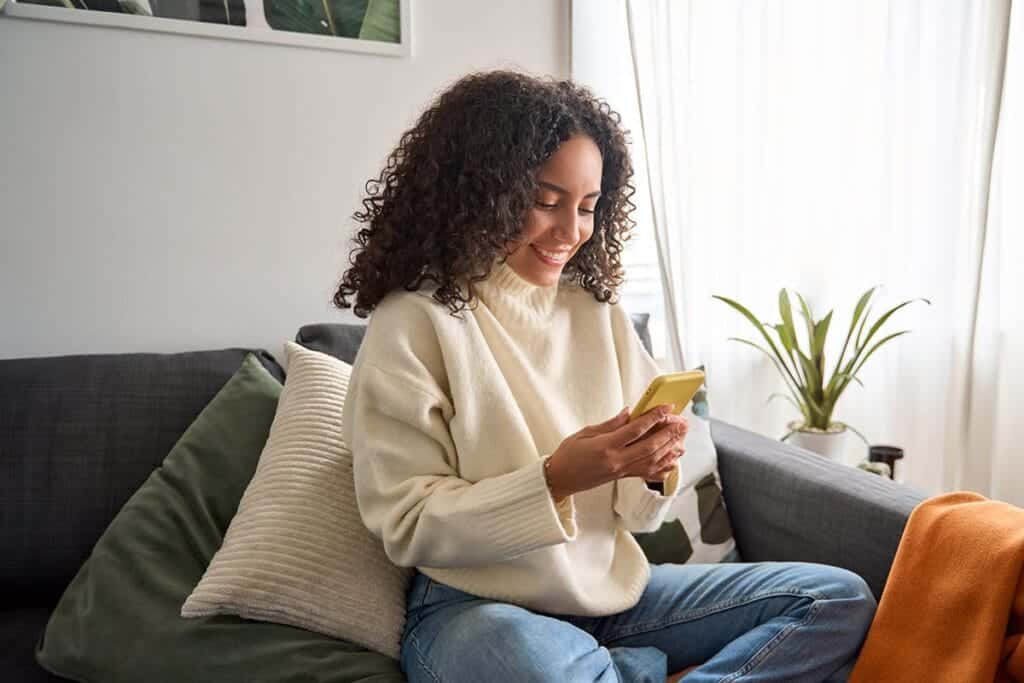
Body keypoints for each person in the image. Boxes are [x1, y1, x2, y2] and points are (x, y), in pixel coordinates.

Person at [335, 70, 876, 683]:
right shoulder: (415, 321)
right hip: (477, 612)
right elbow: (407, 525)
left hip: (612, 599)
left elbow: (638, 517)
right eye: (546, 202)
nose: (571, 232)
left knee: (835, 598)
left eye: (588, 207)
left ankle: (617, 668)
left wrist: (650, 466)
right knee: (522, 661)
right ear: (480, 191)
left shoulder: (598, 315)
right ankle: (629, 670)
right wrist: (558, 478)